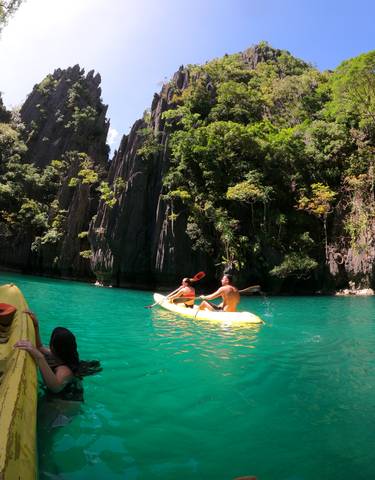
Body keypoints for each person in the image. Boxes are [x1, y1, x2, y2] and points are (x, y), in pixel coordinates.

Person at [14, 311, 101, 399]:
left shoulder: (65, 370)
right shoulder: (62, 356)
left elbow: (55, 388)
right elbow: (40, 347)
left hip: (65, 406)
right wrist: (36, 326)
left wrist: (39, 357)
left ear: (53, 347)